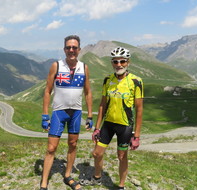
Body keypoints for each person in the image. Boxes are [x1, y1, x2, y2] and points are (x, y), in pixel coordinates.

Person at [80, 47, 144, 190]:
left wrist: (137, 136)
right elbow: (102, 105)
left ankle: (120, 186)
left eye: (122, 61)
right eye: (115, 61)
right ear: (112, 63)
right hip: (108, 124)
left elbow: (139, 109)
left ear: (128, 62)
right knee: (97, 153)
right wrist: (97, 128)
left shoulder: (136, 81)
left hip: (125, 126)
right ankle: (97, 177)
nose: (119, 64)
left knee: (122, 156)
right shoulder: (107, 80)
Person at [40, 35, 93, 190]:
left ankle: (68, 176)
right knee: (51, 148)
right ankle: (44, 182)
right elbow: (47, 90)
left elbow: (88, 92)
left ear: (79, 50)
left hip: (76, 112)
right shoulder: (56, 65)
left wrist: (89, 116)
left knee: (73, 144)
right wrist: (45, 115)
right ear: (64, 49)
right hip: (59, 112)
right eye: (68, 47)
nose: (71, 50)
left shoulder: (84, 67)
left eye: (74, 47)